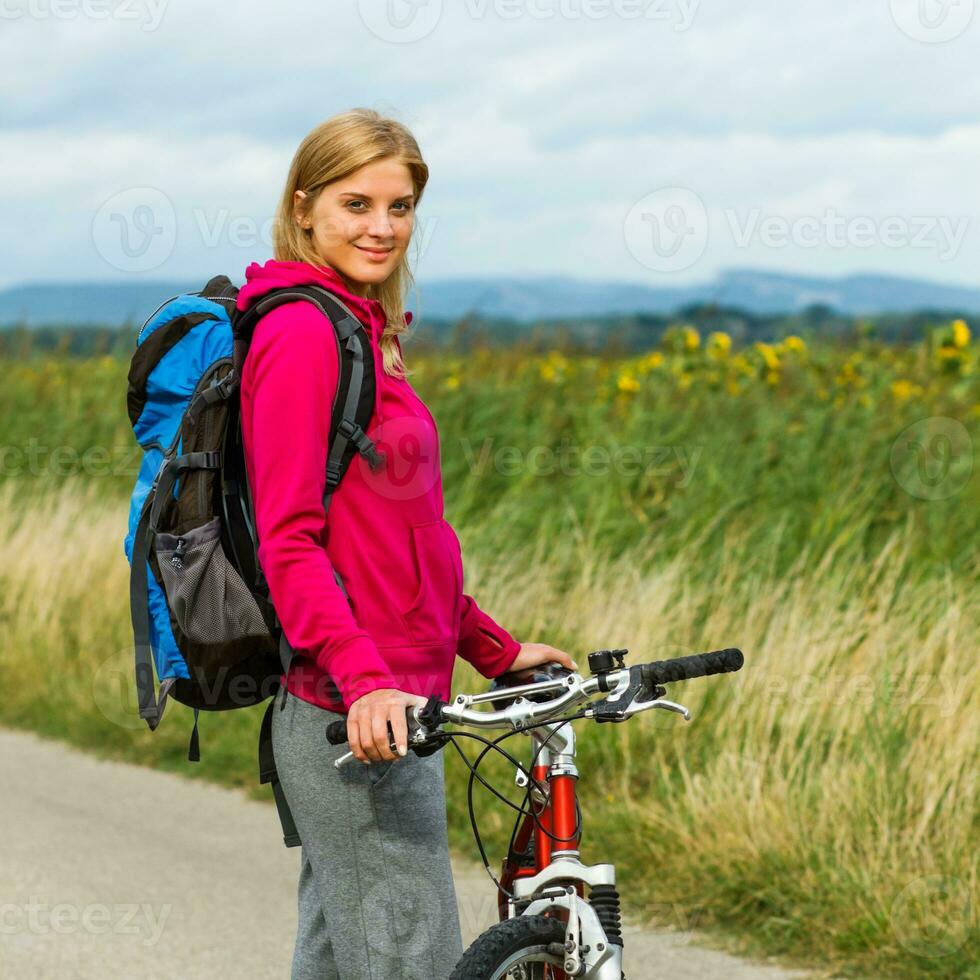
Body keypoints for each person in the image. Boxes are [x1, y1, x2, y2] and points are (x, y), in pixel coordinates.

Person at [238, 107, 574, 980]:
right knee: (410, 963)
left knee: (340, 958)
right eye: (357, 204)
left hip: (397, 706)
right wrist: (363, 680)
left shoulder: (364, 333)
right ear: (304, 206)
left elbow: (400, 542)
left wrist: (492, 648)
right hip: (357, 720)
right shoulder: (303, 333)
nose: (382, 228)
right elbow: (290, 541)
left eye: (400, 206)